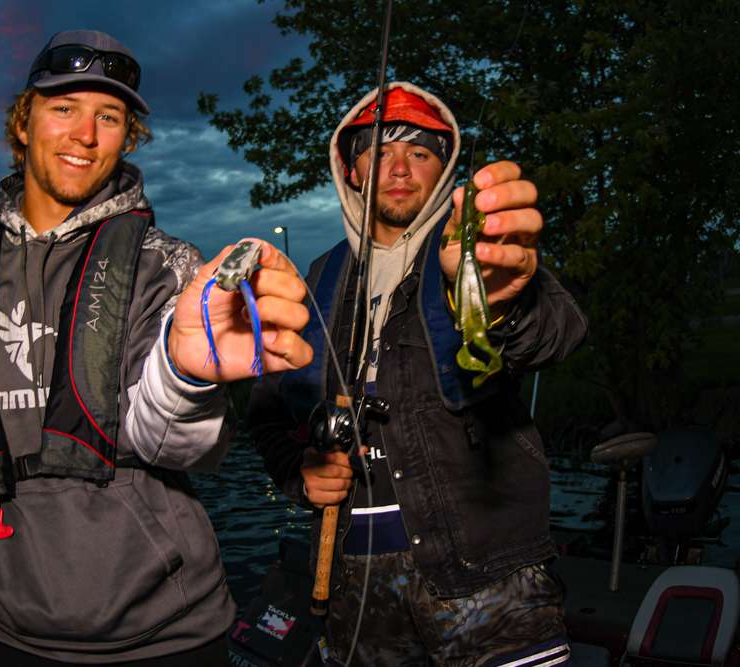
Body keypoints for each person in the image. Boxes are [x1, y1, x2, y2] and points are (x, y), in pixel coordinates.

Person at [0, 30, 311, 666]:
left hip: (165, 633)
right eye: (63, 108)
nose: (85, 134)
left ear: (127, 136)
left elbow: (180, 447)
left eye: (109, 116)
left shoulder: (174, 269)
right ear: (24, 123)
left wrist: (187, 375)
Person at [249, 83, 588, 665]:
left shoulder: (472, 248)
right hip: (355, 587)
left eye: (421, 154)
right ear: (352, 170)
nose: (401, 169)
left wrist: (503, 304)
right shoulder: (320, 275)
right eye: (380, 152)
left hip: (491, 581)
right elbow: (266, 406)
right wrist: (297, 472)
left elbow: (559, 331)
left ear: (443, 168)